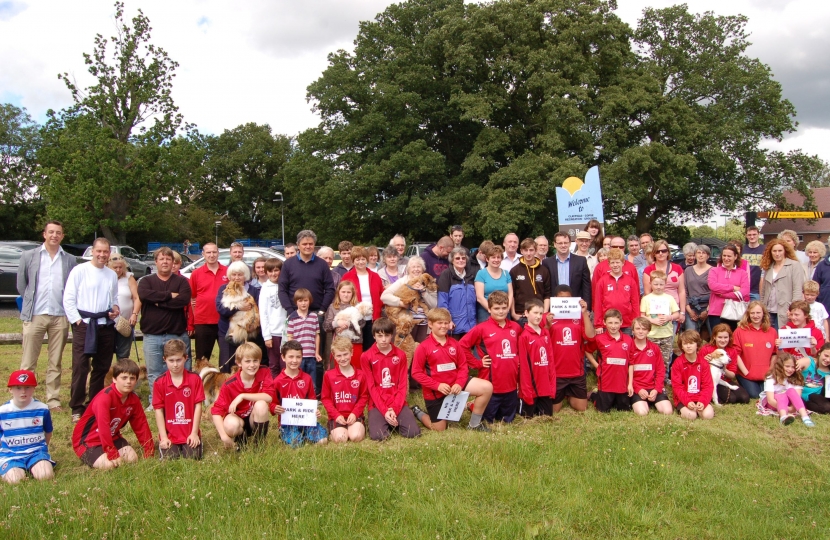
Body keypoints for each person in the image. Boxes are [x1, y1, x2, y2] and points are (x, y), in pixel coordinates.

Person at [16, 220, 77, 412]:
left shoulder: (69, 259)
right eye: (51, 232)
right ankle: (24, 397)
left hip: (59, 316)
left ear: (62, 236)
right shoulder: (29, 256)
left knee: (55, 361)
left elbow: (70, 287)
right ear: (44, 234)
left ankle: (53, 400)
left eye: (58, 232)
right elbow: (22, 285)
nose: (54, 235)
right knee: (28, 360)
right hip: (35, 314)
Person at [63, 237, 120, 423]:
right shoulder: (80, 271)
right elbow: (68, 298)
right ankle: (77, 406)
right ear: (92, 251)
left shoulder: (111, 274)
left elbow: (113, 298)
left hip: (104, 324)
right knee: (80, 366)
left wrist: (115, 309)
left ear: (109, 253)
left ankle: (95, 403)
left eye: (106, 252)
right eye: (99, 251)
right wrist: (77, 320)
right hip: (85, 324)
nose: (102, 255)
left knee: (102, 367)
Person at [410, 308, 493, 431]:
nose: (444, 326)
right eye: (440, 323)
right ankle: (418, 412)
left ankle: (474, 424)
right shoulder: (423, 347)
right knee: (439, 429)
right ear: (430, 324)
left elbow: (463, 367)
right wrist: (437, 385)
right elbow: (416, 373)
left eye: (446, 323)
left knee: (487, 387)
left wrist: (459, 383)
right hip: (435, 391)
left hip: (455, 385)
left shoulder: (455, 344)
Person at [277, 230, 335, 390]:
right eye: (304, 244)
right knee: (295, 354)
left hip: (316, 314)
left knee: (316, 354)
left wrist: (322, 310)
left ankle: (316, 391)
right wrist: (290, 311)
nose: (308, 246)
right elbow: (282, 289)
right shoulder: (288, 264)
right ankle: (295, 387)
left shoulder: (322, 264)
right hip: (294, 314)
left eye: (310, 244)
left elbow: (330, 289)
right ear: (298, 245)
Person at [71, 359, 154, 469]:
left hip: (112, 437)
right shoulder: (105, 398)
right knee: (110, 465)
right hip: (88, 440)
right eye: (124, 378)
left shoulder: (134, 400)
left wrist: (149, 451)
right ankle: (94, 455)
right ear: (114, 379)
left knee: (132, 458)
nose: (128, 382)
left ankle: (106, 453)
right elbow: (103, 427)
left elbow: (141, 425)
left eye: (132, 378)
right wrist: (112, 453)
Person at [138, 246, 192, 407]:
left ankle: (180, 400)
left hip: (176, 334)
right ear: (156, 262)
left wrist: (157, 302)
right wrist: (169, 296)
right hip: (152, 335)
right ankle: (156, 403)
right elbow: (144, 295)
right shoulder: (146, 281)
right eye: (161, 259)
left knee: (180, 370)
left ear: (173, 262)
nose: (165, 262)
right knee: (154, 372)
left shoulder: (181, 282)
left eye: (168, 259)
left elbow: (183, 300)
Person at [460, 291, 522, 423]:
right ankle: (472, 405)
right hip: (491, 386)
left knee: (507, 421)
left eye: (504, 308)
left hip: (511, 386)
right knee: (488, 420)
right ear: (489, 309)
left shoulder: (516, 328)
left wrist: (518, 360)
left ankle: (474, 404)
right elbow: (462, 346)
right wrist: (476, 363)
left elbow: (522, 347)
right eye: (496, 308)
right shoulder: (481, 328)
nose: (501, 311)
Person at [362, 318, 421, 440]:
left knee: (413, 433)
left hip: (397, 402)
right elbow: (371, 387)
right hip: (377, 404)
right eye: (380, 335)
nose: (383, 339)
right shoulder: (366, 356)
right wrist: (385, 410)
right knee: (379, 436)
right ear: (374, 336)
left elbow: (402, 385)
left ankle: (395, 418)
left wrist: (394, 408)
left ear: (392, 335)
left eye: (387, 335)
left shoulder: (400, 355)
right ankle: (385, 420)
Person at [210, 342, 275, 449]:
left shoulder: (264, 371)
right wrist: (224, 437)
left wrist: (242, 396)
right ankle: (241, 440)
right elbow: (216, 411)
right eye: (247, 361)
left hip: (254, 418)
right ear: (239, 363)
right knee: (231, 425)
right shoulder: (229, 384)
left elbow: (268, 397)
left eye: (255, 360)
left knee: (261, 404)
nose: (252, 365)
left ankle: (258, 445)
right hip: (237, 419)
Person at [152, 339, 204, 460]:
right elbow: (158, 411)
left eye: (179, 360)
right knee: (170, 458)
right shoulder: (159, 382)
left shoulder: (194, 379)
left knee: (192, 457)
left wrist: (194, 433)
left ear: (186, 358)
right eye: (171, 360)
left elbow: (198, 406)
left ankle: (197, 440)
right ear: (164, 359)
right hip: (170, 434)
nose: (175, 364)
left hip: (189, 432)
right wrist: (164, 437)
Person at [0, 370, 54, 484]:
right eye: (18, 388)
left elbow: (48, 431)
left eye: (28, 387)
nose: (23, 392)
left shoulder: (42, 409)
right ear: (10, 389)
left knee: (46, 475)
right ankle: (15, 469)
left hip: (36, 452)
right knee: (15, 480)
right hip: (11, 455)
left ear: (34, 388)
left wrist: (43, 448)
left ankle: (35, 465)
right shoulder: (3, 412)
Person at [272, 340, 328, 447]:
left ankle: (307, 434)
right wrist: (274, 408)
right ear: (283, 357)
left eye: (298, 357)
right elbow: (272, 403)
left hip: (306, 420)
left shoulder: (307, 378)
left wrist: (315, 412)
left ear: (302, 358)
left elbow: (312, 400)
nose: (294, 360)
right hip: (288, 423)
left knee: (323, 441)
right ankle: (288, 434)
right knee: (296, 444)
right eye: (291, 357)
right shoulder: (278, 381)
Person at [548, 285, 595, 412]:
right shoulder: (549, 317)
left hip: (576, 371)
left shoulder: (579, 315)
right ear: (555, 299)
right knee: (553, 410)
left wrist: (584, 313)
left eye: (568, 298)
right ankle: (562, 394)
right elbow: (542, 339)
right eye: (561, 298)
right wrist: (547, 323)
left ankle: (569, 395)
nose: (565, 301)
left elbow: (591, 336)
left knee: (582, 408)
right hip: (557, 372)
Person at [321, 336, 369, 443]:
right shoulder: (329, 375)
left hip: (354, 416)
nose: (343, 358)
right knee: (340, 438)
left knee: (356, 436)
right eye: (339, 355)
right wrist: (336, 415)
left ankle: (357, 426)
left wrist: (355, 413)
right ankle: (334, 428)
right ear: (333, 356)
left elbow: (363, 397)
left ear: (352, 352)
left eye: (345, 354)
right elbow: (325, 398)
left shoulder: (361, 375)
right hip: (337, 416)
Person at [216, 261, 261, 373]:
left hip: (248, 333)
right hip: (227, 333)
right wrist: (239, 307)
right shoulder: (223, 289)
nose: (236, 278)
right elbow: (221, 309)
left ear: (245, 275)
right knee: (227, 363)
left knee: (247, 362)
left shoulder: (253, 291)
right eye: (234, 274)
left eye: (240, 274)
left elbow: (258, 312)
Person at [381, 255, 437, 343]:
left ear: (423, 269)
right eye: (413, 267)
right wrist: (401, 303)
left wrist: (424, 292)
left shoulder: (428, 283)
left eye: (419, 266)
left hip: (424, 324)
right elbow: (384, 296)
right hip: (405, 323)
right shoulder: (402, 281)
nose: (416, 269)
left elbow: (434, 304)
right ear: (408, 269)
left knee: (420, 350)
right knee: (404, 350)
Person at [189, 242, 227, 363]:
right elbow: (192, 298)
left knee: (227, 358)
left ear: (218, 253)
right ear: (203, 254)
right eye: (208, 252)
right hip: (203, 322)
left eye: (214, 252)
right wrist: (192, 321)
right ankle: (201, 381)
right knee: (202, 359)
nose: (211, 255)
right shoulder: (196, 273)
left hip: (224, 321)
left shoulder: (228, 271)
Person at [517, 299, 556, 417]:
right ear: (527, 313)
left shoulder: (545, 333)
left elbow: (550, 361)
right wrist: (527, 392)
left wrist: (552, 388)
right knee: (527, 418)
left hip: (545, 388)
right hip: (531, 389)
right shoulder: (524, 336)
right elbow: (524, 367)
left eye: (540, 313)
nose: (538, 316)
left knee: (547, 417)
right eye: (535, 313)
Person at [342, 246, 384, 351]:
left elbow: (381, 296)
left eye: (363, 259)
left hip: (373, 319)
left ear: (367, 259)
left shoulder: (375, 276)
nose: (360, 262)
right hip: (355, 320)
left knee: (371, 349)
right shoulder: (347, 277)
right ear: (353, 261)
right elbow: (343, 297)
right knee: (356, 349)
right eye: (357, 259)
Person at [732, 301, 778, 398]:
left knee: (766, 393)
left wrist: (770, 370)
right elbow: (736, 354)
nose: (755, 316)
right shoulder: (740, 331)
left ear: (763, 314)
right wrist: (745, 372)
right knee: (755, 395)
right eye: (752, 313)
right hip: (747, 374)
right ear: (748, 314)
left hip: (765, 374)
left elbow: (774, 353)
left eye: (758, 313)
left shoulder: (772, 331)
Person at [628, 318, 672, 416]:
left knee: (667, 411)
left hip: (653, 387)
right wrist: (638, 389)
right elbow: (626, 373)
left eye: (644, 329)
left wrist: (656, 389)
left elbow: (661, 371)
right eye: (638, 328)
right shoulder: (628, 347)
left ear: (648, 331)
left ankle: (653, 400)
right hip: (637, 388)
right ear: (633, 330)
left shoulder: (654, 348)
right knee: (642, 413)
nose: (640, 331)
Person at [591, 309, 632, 412]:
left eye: (616, 323)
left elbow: (631, 362)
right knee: (603, 410)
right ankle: (594, 395)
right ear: (604, 323)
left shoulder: (628, 339)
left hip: (622, 384)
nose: (613, 326)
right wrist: (597, 365)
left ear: (621, 323)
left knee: (624, 410)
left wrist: (630, 383)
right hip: (606, 383)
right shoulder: (599, 338)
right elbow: (587, 351)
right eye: (610, 323)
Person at [700, 324, 750, 404]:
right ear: (714, 337)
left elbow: (732, 375)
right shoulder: (706, 349)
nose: (723, 340)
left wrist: (723, 368)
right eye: (720, 337)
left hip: (725, 379)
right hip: (711, 381)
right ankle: (713, 397)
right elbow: (698, 369)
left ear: (729, 338)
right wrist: (705, 362)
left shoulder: (732, 351)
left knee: (744, 398)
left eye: (725, 337)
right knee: (731, 399)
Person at [592, 250, 640, 334]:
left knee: (626, 346)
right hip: (608, 322)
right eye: (612, 263)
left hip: (627, 322)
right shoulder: (602, 281)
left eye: (617, 262)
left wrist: (636, 323)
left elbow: (635, 302)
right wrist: (598, 324)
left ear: (623, 263)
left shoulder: (630, 281)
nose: (615, 265)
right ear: (609, 264)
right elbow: (598, 303)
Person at [760, 239, 804, 329]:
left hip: (785, 310)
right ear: (770, 252)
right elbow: (764, 290)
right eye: (774, 251)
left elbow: (797, 289)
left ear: (785, 251)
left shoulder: (794, 265)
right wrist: (762, 307)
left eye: (780, 251)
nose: (777, 253)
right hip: (768, 310)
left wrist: (793, 309)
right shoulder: (768, 267)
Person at [671, 330, 715, 420]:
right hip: (684, 398)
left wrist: (703, 401)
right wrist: (687, 401)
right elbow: (677, 387)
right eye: (685, 344)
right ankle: (683, 410)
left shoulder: (703, 363)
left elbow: (708, 385)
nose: (688, 346)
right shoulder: (678, 363)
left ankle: (699, 408)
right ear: (681, 346)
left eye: (691, 343)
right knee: (691, 416)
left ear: (697, 345)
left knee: (708, 415)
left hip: (699, 396)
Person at [643, 239, 686, 328]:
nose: (661, 253)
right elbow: (647, 293)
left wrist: (682, 312)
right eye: (658, 251)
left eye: (664, 251)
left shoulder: (677, 268)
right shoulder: (648, 270)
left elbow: (681, 291)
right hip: (656, 311)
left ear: (668, 252)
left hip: (674, 309)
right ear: (654, 254)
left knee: (670, 338)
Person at [762, 353, 814, 426]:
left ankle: (805, 417)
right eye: (787, 366)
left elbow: (797, 397)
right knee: (781, 395)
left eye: (793, 367)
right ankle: (783, 417)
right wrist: (787, 409)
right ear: (780, 366)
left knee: (791, 390)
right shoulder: (771, 378)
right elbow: (770, 400)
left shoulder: (796, 378)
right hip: (774, 402)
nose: (790, 369)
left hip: (789, 403)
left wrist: (793, 408)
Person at [287, 288, 322, 394]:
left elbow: (317, 335)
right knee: (298, 377)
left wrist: (316, 352)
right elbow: (290, 337)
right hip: (298, 356)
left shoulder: (314, 316)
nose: (303, 303)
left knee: (312, 378)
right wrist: (292, 354)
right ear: (296, 302)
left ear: (309, 301)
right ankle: (298, 395)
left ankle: (312, 397)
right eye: (300, 301)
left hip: (311, 355)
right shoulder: (292, 318)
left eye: (305, 300)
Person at [437, 247, 477, 340]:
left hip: (471, 325)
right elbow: (442, 302)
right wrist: (447, 321)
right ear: (452, 260)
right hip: (454, 325)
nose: (461, 260)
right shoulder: (446, 275)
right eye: (457, 258)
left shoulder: (471, 275)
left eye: (463, 258)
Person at [707, 245, 749, 330]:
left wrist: (724, 295)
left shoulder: (742, 273)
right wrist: (733, 287)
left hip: (734, 312)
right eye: (724, 255)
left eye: (729, 256)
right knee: (717, 339)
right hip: (716, 312)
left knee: (731, 340)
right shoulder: (714, 270)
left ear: (736, 256)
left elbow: (745, 291)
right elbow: (713, 286)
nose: (726, 258)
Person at [543, 232, 591, 307]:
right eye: (560, 243)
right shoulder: (547, 262)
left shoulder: (581, 261)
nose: (563, 245)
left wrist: (587, 307)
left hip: (576, 305)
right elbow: (546, 287)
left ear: (570, 244)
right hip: (555, 306)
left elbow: (586, 286)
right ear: (555, 244)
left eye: (565, 243)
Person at [323, 281, 365, 367]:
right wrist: (337, 323)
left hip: (355, 343)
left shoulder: (358, 306)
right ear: (338, 293)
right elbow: (326, 326)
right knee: (340, 370)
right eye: (343, 292)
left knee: (356, 368)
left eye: (348, 292)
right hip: (340, 344)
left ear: (353, 293)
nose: (346, 295)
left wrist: (347, 324)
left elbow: (362, 323)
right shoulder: (333, 307)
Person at [510, 239, 551, 324]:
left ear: (535, 251)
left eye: (531, 250)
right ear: (521, 251)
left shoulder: (544, 270)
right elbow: (511, 294)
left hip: (539, 314)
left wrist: (545, 312)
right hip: (521, 314)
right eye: (526, 250)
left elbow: (547, 294)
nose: (528, 253)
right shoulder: (514, 271)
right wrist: (513, 313)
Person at [107, 255, 140, 360]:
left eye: (120, 267)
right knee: (105, 353)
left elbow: (137, 298)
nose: (118, 270)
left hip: (125, 322)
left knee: (123, 354)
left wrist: (135, 314)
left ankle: (122, 374)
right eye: (115, 267)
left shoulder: (129, 277)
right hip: (107, 322)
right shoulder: (104, 277)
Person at [259, 258, 287, 377]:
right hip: (273, 333)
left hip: (286, 332)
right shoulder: (265, 288)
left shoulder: (286, 286)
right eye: (270, 271)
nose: (273, 274)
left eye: (276, 270)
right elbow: (263, 313)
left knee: (285, 363)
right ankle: (274, 391)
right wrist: (267, 336)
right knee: (274, 364)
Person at [475, 244, 513, 323]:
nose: (496, 260)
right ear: (487, 259)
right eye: (493, 257)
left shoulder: (506, 273)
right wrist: (492, 310)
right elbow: (480, 297)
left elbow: (510, 293)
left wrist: (506, 309)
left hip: (504, 311)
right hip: (486, 311)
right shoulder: (481, 273)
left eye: (498, 257)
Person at [684, 245, 712, 333]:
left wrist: (707, 310)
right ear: (695, 255)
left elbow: (715, 292)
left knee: (714, 335)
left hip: (708, 307)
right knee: (690, 335)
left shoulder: (713, 270)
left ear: (708, 256)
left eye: (703, 253)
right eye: (698, 253)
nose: (700, 255)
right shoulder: (688, 271)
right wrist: (689, 310)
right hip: (691, 307)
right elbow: (684, 291)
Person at [801, 343, 830, 414]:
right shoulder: (809, 361)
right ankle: (803, 404)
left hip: (817, 394)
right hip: (803, 392)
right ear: (819, 352)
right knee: (826, 407)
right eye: (826, 356)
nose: (828, 360)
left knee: (826, 406)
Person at [742, 226, 765, 302]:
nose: (752, 237)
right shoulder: (742, 249)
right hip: (743, 289)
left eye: (754, 234)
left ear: (759, 234)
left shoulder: (765, 249)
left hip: (758, 290)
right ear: (746, 236)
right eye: (749, 235)